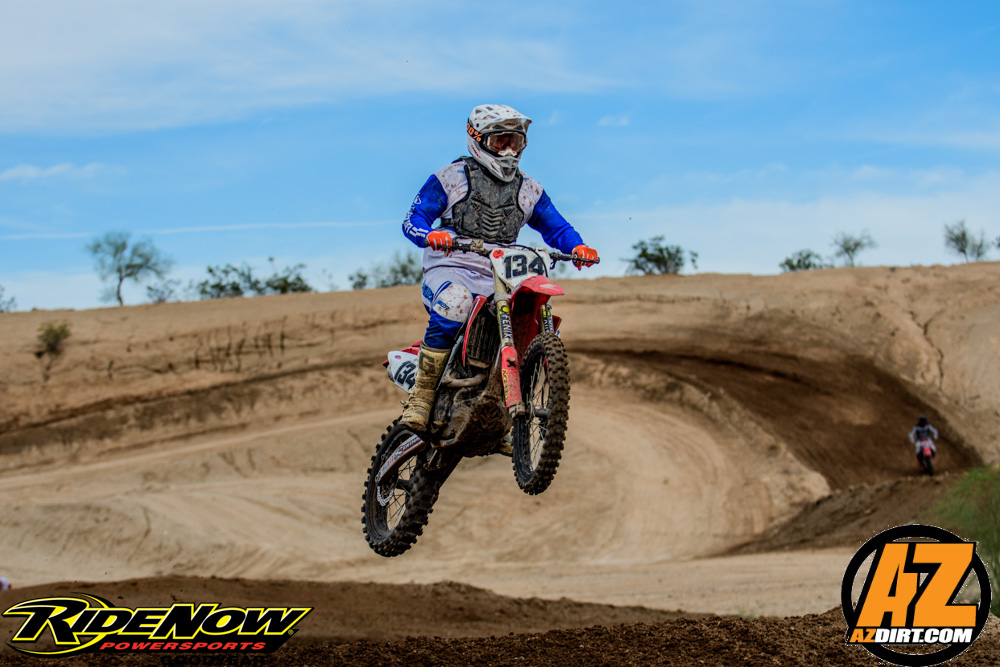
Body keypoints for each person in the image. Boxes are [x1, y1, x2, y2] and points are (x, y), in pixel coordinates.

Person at [399, 104, 598, 432]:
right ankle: (421, 396)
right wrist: (430, 235)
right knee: (456, 302)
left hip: (501, 273)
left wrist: (577, 246)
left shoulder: (528, 188)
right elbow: (414, 218)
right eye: (499, 142)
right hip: (452, 267)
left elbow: (556, 227)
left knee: (529, 321)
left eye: (514, 142)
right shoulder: (451, 177)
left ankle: (511, 417)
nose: (508, 151)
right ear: (478, 140)